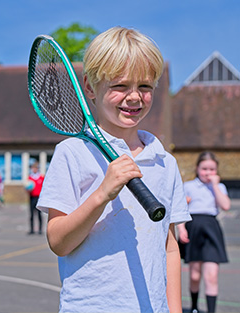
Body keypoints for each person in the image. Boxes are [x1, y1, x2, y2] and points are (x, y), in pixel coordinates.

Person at [37, 26, 191, 313]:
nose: (134, 97)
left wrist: (174, 310)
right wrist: (102, 194)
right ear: (90, 88)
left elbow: (169, 247)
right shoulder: (72, 153)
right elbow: (58, 241)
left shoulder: (164, 161)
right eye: (120, 86)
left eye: (144, 86)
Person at [177, 151, 231, 313]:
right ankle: (194, 307)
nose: (208, 173)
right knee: (194, 275)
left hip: (211, 228)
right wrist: (181, 228)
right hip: (193, 228)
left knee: (211, 275)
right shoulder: (188, 186)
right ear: (197, 168)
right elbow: (181, 208)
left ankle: (211, 310)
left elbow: (226, 205)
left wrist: (214, 185)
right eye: (204, 169)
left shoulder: (219, 187)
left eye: (212, 169)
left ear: (217, 171)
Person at [26, 161, 44, 235]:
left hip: (39, 198)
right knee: (31, 214)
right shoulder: (30, 178)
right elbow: (27, 187)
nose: (34, 169)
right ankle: (32, 229)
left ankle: (40, 229)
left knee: (39, 214)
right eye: (33, 168)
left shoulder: (41, 177)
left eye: (35, 168)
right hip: (32, 197)